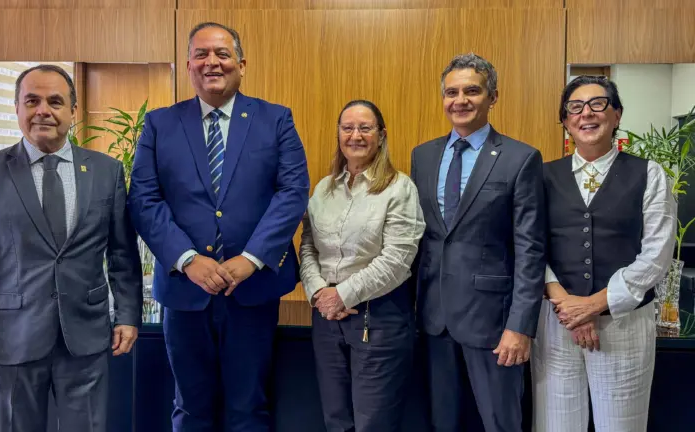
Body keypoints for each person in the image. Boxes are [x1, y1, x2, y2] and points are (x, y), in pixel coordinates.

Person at [127, 22, 310, 431]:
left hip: (253, 290)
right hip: (184, 290)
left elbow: (292, 192)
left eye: (223, 54)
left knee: (249, 407)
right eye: (202, 54)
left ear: (241, 64)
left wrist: (252, 258)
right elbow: (144, 199)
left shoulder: (275, 119)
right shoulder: (160, 124)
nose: (213, 62)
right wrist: (188, 259)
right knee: (190, 407)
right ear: (189, 65)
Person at [0, 64, 142, 432]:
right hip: (13, 339)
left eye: (55, 101)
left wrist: (128, 315)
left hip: (86, 338)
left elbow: (122, 254)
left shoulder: (106, 171)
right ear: (18, 109)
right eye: (32, 101)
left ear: (73, 110)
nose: (44, 110)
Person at [410, 53, 547, 432]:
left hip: (494, 324)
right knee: (443, 423)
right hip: (434, 319)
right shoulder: (423, 156)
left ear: (493, 96)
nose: (461, 100)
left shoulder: (520, 158)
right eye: (451, 92)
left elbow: (530, 250)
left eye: (472, 90)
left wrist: (520, 326)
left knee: (500, 422)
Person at [531, 75, 676, 432]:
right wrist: (567, 305)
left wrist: (596, 304)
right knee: (555, 424)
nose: (586, 114)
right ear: (565, 121)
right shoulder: (542, 175)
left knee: (621, 424)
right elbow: (530, 245)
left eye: (598, 104)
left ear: (617, 115)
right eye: (575, 107)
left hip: (624, 322)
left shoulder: (649, 174)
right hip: (556, 320)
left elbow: (657, 253)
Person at [299, 100, 425, 432]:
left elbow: (397, 260)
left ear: (381, 136)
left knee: (374, 424)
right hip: (326, 320)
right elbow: (308, 245)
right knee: (336, 421)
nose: (355, 135)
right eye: (348, 128)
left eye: (365, 128)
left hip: (379, 318)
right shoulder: (324, 189)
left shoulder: (400, 188)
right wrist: (318, 294)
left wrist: (342, 294)